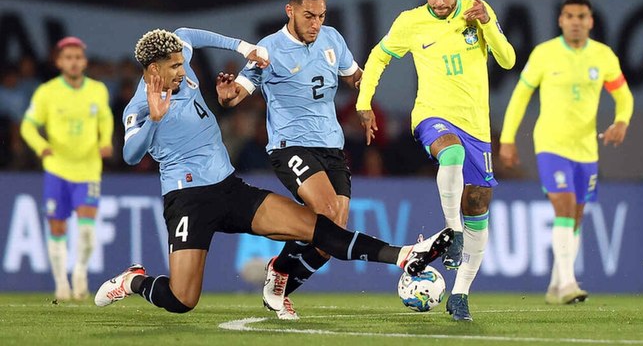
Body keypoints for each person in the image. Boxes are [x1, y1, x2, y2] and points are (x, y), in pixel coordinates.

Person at [94, 28, 453, 315]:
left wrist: (243, 47)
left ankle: (404, 254)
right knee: (182, 299)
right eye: (174, 67)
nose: (183, 70)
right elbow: (129, 154)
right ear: (154, 70)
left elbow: (188, 33)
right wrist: (155, 121)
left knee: (319, 229)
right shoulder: (139, 107)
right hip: (187, 201)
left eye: (181, 63)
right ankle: (133, 281)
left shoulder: (179, 57)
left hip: (229, 188)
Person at [356, 0, 516, 321]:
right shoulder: (410, 22)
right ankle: (452, 231)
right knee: (451, 153)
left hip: (476, 125)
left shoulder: (478, 10)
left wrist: (488, 25)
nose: (440, 2)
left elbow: (507, 60)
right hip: (432, 115)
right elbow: (379, 58)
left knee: (478, 203)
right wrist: (364, 103)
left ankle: (460, 293)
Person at [216, 0, 363, 320]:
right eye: (309, 16)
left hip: (331, 145)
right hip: (290, 145)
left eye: (321, 16)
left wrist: (366, 100)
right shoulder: (268, 49)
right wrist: (227, 95)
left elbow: (355, 76)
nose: (316, 24)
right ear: (290, 11)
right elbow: (239, 92)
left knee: (331, 239)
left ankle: (279, 276)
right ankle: (279, 276)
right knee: (326, 211)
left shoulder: (332, 39)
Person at [499, 0, 634, 305]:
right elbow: (520, 97)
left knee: (574, 216)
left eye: (582, 16)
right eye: (570, 16)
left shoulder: (603, 57)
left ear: (591, 21)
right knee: (564, 205)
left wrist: (621, 122)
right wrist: (507, 139)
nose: (576, 21)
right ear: (560, 20)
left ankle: (556, 284)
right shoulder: (544, 54)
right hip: (551, 145)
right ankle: (570, 282)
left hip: (586, 149)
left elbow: (623, 96)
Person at [20, 36, 114, 301]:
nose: (73, 62)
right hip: (57, 169)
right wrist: (41, 146)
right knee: (57, 227)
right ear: (59, 62)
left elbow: (106, 119)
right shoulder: (47, 92)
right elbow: (27, 125)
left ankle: (80, 271)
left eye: (77, 57)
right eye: (68, 58)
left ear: (84, 61)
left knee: (85, 229)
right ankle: (61, 282)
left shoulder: (98, 90)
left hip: (88, 169)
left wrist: (106, 141)